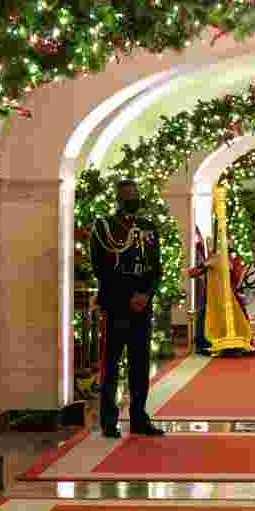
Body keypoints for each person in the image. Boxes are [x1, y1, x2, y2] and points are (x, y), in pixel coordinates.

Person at [90, 179, 165, 438]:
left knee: (140, 365)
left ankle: (138, 418)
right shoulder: (104, 227)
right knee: (111, 365)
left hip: (142, 308)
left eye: (136, 194)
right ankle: (109, 421)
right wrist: (130, 296)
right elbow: (101, 268)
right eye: (128, 195)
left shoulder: (148, 227)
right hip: (116, 305)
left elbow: (156, 268)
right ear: (118, 198)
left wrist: (146, 294)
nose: (133, 198)